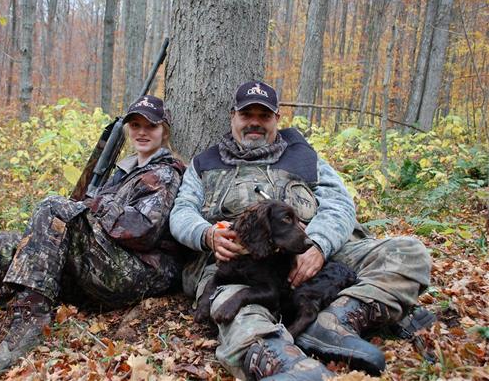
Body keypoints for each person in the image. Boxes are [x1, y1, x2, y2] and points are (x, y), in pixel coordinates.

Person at [0, 95, 187, 376]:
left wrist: (95, 204)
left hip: (135, 274)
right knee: (6, 243)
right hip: (104, 265)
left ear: (165, 131)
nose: (142, 132)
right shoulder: (124, 171)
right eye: (135, 125)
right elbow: (82, 205)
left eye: (151, 126)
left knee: (52, 205)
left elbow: (143, 231)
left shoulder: (164, 173)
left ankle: (31, 319)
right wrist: (93, 183)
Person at [170, 81, 431, 380]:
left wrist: (319, 245)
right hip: (241, 261)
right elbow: (181, 212)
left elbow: (339, 205)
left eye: (264, 115)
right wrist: (207, 234)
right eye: (247, 114)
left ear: (277, 119)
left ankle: (335, 321)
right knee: (234, 304)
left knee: (408, 252)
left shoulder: (304, 156)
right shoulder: (205, 163)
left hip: (316, 250)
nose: (255, 122)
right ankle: (277, 359)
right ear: (233, 117)